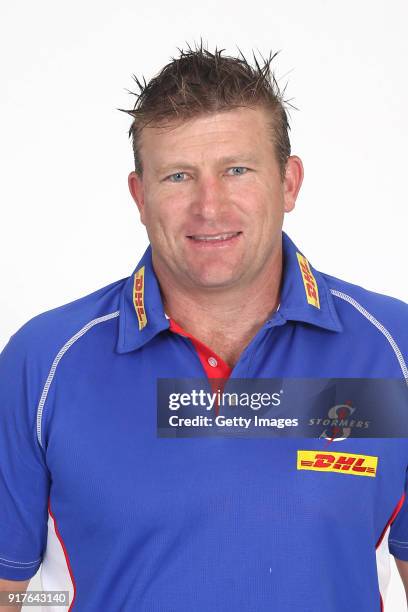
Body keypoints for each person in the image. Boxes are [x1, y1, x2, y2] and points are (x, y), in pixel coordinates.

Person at [0, 41, 407, 612]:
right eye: (177, 177)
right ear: (140, 196)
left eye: (237, 170)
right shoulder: (43, 361)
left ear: (289, 183)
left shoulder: (393, 350)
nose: (209, 207)